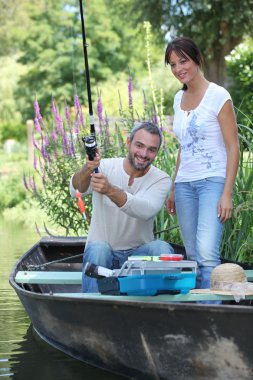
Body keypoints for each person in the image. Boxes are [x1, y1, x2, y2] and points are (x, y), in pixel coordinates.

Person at [164, 37, 240, 290]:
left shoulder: (219, 96)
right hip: (185, 184)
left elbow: (233, 147)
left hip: (212, 181)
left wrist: (226, 193)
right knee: (193, 256)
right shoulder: (178, 99)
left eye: (183, 61)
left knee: (207, 254)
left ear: (197, 58)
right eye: (173, 64)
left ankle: (213, 312)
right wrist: (174, 186)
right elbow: (183, 147)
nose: (178, 69)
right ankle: (197, 312)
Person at [69, 122, 174, 292]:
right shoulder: (105, 167)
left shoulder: (161, 179)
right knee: (98, 248)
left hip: (138, 257)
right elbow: (76, 190)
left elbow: (145, 210)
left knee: (161, 248)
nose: (144, 154)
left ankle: (160, 308)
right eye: (139, 145)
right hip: (104, 253)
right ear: (128, 142)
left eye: (151, 149)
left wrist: (109, 190)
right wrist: (88, 168)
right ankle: (91, 307)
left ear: (156, 152)